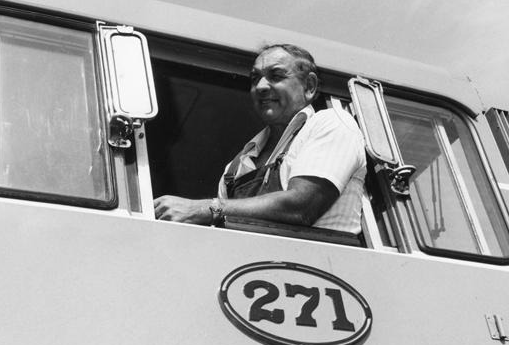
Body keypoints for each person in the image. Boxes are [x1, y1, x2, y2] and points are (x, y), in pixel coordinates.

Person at [153, 43, 366, 234]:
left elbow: (301, 207)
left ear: (309, 87)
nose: (261, 87)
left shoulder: (330, 123)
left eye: (276, 76)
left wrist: (204, 209)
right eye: (255, 78)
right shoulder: (235, 167)